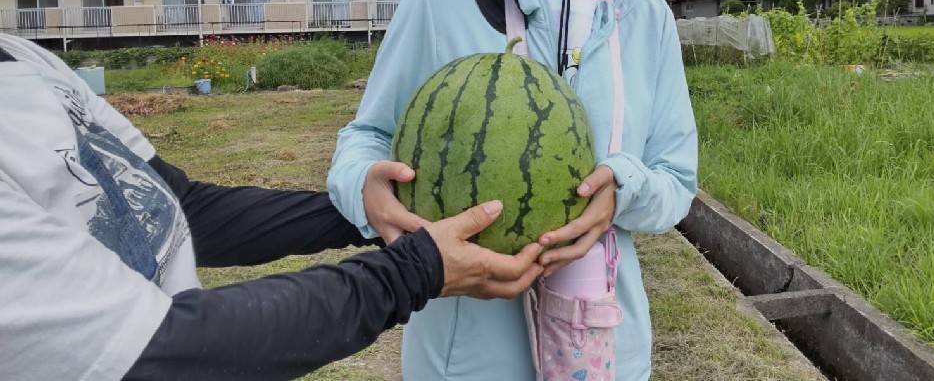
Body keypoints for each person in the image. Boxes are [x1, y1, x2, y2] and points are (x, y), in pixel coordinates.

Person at [327, 0, 699, 378]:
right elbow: (365, 139)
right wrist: (363, 188)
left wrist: (622, 190)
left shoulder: (647, 20)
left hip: (604, 353)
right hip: (463, 360)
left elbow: (676, 182)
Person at [0, 32, 544, 381]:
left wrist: (373, 211)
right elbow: (157, 351)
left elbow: (179, 208)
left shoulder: (27, 59)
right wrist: (415, 269)